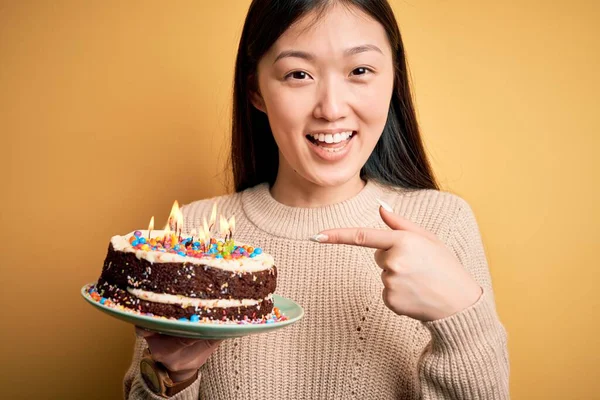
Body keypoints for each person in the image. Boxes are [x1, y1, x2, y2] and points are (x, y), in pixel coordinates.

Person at [125, 0, 510, 398]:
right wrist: (173, 375)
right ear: (256, 89)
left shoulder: (443, 224)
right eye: (298, 74)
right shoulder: (193, 235)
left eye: (360, 71)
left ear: (393, 78)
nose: (331, 109)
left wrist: (461, 317)